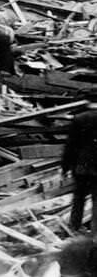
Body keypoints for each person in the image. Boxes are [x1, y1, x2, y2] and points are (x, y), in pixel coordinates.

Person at [61, 93, 97, 236]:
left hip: (81, 167)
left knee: (79, 198)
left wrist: (65, 167)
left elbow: (70, 146)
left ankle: (74, 226)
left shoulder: (79, 118)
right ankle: (95, 232)